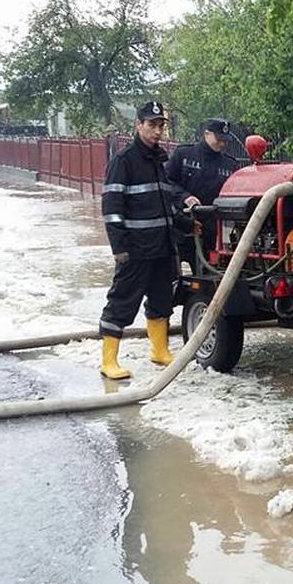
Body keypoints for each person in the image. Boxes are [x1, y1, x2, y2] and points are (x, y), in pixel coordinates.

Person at [98, 101, 196, 380]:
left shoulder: (158, 161)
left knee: (162, 300)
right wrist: (119, 248)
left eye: (160, 125)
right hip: (136, 250)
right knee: (122, 302)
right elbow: (112, 207)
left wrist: (187, 224)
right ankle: (108, 361)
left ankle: (159, 351)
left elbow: (164, 206)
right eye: (151, 125)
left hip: (163, 248)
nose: (157, 131)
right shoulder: (124, 160)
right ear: (138, 125)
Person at [164, 117, 247, 273]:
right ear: (207, 134)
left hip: (211, 231)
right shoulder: (184, 155)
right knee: (172, 277)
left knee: (209, 276)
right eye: (219, 139)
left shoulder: (230, 165)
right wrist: (185, 197)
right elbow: (166, 182)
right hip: (182, 226)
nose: (222, 144)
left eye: (225, 141)